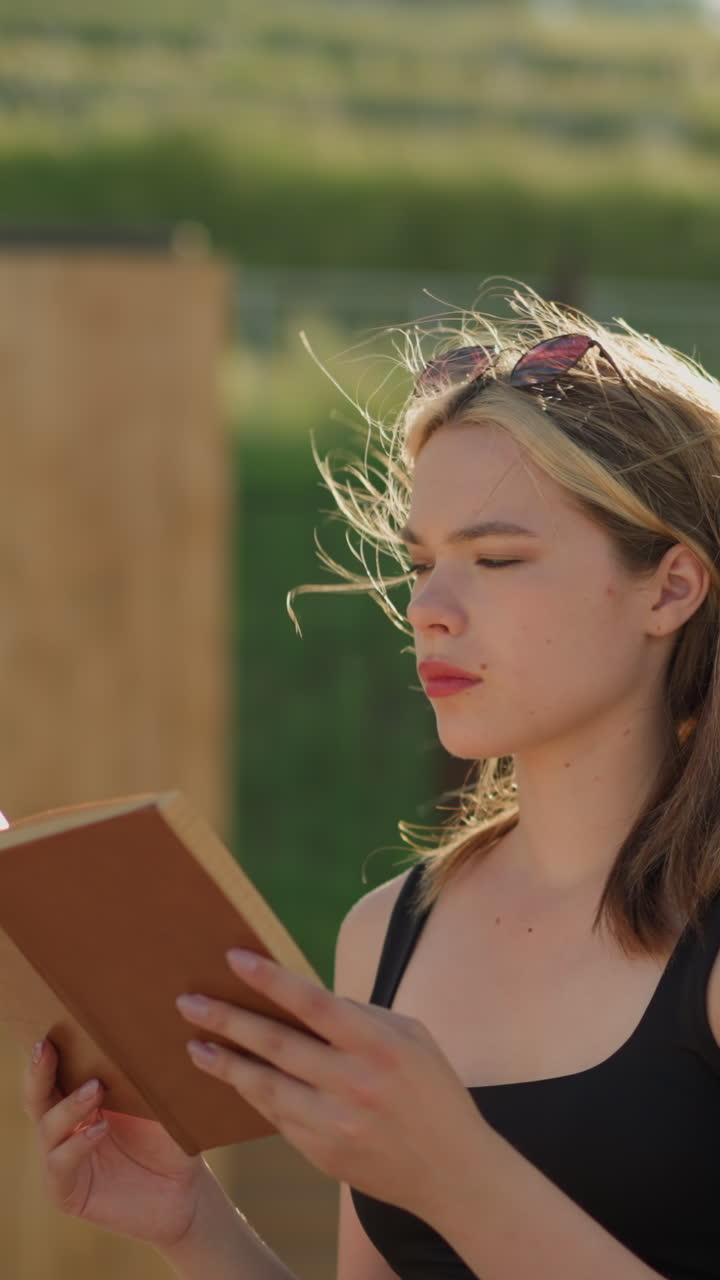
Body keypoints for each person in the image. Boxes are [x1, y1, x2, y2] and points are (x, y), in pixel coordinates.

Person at [21, 279, 720, 1279]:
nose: (430, 606)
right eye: (422, 559)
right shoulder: (390, 929)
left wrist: (452, 1170)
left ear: (672, 586)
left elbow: (458, 1185)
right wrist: (189, 1222)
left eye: (497, 558)